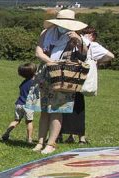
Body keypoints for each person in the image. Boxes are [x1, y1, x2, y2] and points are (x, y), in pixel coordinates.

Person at [32, 9, 86, 154]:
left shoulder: (75, 36)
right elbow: (39, 51)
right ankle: (40, 141)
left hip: (64, 75)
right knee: (43, 109)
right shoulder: (46, 33)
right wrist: (51, 62)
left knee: (57, 109)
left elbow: (83, 56)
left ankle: (51, 143)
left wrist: (79, 41)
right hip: (46, 72)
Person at [60, 26, 114, 144]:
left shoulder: (72, 41)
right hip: (81, 78)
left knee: (67, 105)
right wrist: (97, 61)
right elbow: (110, 56)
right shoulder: (92, 45)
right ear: (93, 36)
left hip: (70, 76)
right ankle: (80, 137)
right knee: (78, 107)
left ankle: (70, 135)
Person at [1, 63, 38, 143]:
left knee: (16, 120)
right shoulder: (34, 83)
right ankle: (29, 139)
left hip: (19, 104)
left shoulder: (23, 83)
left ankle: (6, 134)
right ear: (34, 73)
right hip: (28, 105)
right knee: (29, 122)